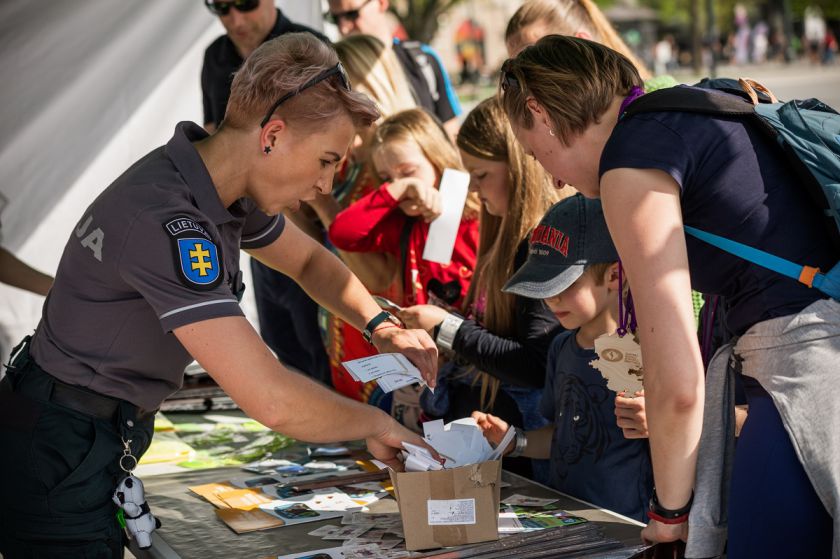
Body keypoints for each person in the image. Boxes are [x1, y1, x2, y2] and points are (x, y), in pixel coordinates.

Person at [0, 33, 438, 558]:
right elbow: (269, 398)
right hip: (60, 441)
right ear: (272, 135)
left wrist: (380, 325)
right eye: (326, 160)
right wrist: (375, 422)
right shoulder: (169, 221)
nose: (326, 184)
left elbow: (306, 260)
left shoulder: (218, 181)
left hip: (87, 428)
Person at [500, 35, 838, 558]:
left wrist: (669, 515)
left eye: (534, 153)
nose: (552, 177)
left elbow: (675, 376)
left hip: (805, 368)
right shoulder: (686, 110)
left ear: (541, 113)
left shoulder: (629, 162)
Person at [396, 97, 565, 478]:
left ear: (519, 166)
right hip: (503, 444)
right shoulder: (503, 237)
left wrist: (446, 327)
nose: (473, 189)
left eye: (482, 175)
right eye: (469, 176)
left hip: (527, 448)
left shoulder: (539, 243)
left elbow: (535, 364)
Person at [472, 194, 653, 521]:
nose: (550, 298)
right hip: (567, 516)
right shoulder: (561, 348)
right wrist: (516, 441)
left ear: (614, 276)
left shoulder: (643, 352)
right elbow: (563, 436)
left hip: (626, 526)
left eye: (562, 284)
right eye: (542, 282)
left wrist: (658, 422)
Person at [201, 0, 332, 385]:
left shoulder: (309, 50)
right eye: (221, 8)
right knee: (281, 341)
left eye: (245, 4)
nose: (235, 19)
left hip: (304, 220)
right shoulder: (217, 55)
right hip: (254, 220)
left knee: (319, 344)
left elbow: (325, 148)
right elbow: (213, 137)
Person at [310, 33, 418, 403]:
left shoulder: (389, 170)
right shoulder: (351, 165)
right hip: (349, 344)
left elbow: (380, 276)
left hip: (382, 353)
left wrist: (323, 207)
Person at [329, 108, 480, 311]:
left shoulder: (477, 213)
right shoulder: (401, 224)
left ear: (437, 159)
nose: (400, 185)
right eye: (386, 179)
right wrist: (396, 190)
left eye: (408, 172)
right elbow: (341, 233)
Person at [325, 0, 462, 139]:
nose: (343, 28)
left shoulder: (423, 59)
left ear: (381, 3)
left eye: (352, 14)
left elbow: (451, 136)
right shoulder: (334, 69)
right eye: (334, 18)